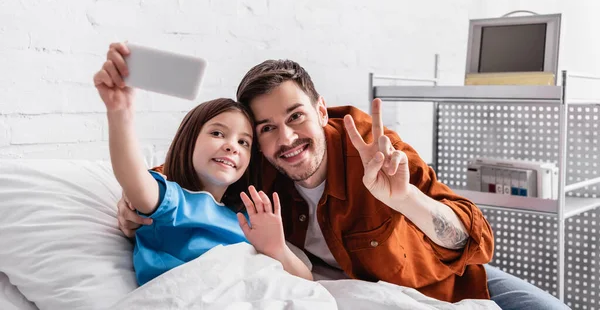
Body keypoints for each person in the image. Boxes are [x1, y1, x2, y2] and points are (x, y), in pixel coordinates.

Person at [117, 58, 570, 309]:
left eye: (295, 117)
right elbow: (197, 166)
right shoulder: (260, 161)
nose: (286, 139)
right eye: (267, 128)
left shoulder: (372, 148)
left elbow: (477, 239)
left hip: (452, 283)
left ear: (320, 109)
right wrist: (136, 200)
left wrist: (405, 197)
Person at [95, 43, 312, 285]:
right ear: (189, 141)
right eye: (218, 134)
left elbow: (307, 280)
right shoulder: (173, 203)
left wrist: (278, 249)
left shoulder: (248, 222)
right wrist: (120, 112)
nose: (232, 146)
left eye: (244, 142)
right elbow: (133, 178)